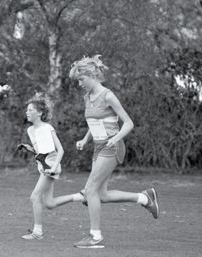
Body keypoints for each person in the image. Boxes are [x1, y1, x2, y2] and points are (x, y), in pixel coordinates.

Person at [69, 55, 159, 249]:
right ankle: (145, 198)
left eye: (81, 79)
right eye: (77, 80)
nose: (79, 83)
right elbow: (95, 121)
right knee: (101, 195)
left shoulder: (107, 95)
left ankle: (95, 237)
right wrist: (85, 139)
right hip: (98, 147)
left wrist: (114, 139)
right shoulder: (88, 96)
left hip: (112, 147)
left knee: (90, 190)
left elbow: (128, 123)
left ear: (92, 75)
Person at [21, 94, 86, 240]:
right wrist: (30, 149)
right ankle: (80, 196)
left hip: (51, 165)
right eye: (27, 110)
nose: (27, 112)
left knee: (35, 197)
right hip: (43, 166)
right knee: (49, 203)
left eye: (30, 110)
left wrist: (54, 167)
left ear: (39, 113)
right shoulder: (30, 130)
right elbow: (40, 150)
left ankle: (37, 233)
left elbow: (60, 150)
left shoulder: (47, 127)